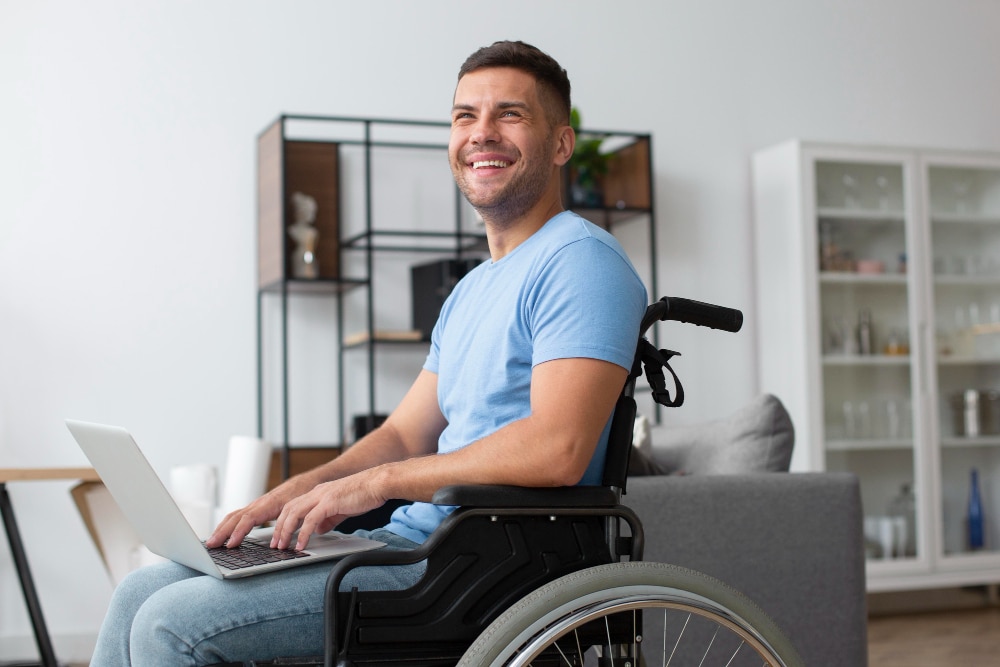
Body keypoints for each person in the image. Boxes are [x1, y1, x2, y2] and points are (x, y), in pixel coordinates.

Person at [90, 40, 647, 666]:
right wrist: (302, 488)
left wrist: (376, 485)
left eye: (510, 114)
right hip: (417, 544)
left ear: (561, 143)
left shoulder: (581, 261)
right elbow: (405, 434)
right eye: (465, 116)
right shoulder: (471, 289)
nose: (481, 134)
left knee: (172, 623)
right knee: (141, 589)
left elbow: (559, 449)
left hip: (486, 565)